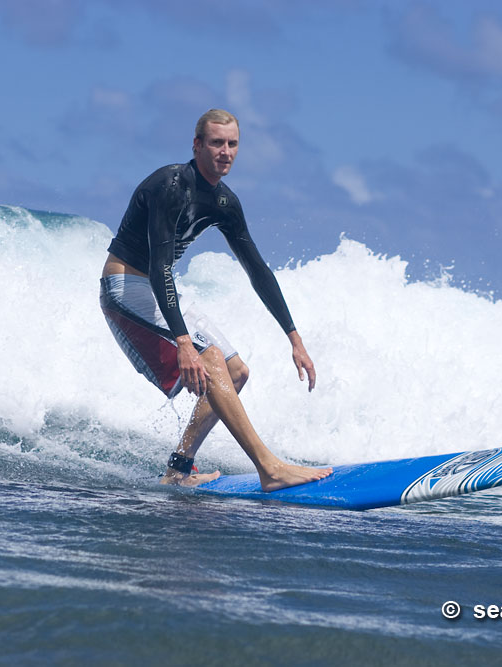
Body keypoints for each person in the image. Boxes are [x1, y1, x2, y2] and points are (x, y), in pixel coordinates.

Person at [99, 108, 332, 491]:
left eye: (233, 144)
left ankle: (178, 468)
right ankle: (269, 468)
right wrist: (184, 343)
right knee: (209, 360)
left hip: (155, 289)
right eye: (216, 143)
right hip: (125, 287)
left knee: (236, 371)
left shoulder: (224, 202)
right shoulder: (169, 185)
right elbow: (160, 267)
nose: (225, 151)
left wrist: (294, 338)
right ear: (197, 145)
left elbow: (257, 269)